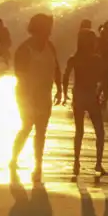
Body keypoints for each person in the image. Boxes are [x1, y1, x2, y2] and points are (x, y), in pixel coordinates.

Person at [9, 13, 62, 183]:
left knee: (41, 131)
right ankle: (14, 159)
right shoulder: (24, 49)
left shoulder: (50, 46)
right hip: (26, 94)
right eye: (47, 27)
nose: (50, 31)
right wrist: (28, 99)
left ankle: (38, 166)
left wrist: (60, 89)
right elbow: (20, 76)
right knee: (27, 127)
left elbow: (56, 68)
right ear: (39, 28)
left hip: (44, 95)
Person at [62, 29, 108, 177]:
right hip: (91, 96)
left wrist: (64, 93)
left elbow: (66, 76)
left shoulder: (74, 58)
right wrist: (100, 94)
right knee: (100, 132)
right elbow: (103, 79)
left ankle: (76, 163)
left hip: (78, 96)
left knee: (79, 131)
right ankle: (98, 164)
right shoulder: (97, 59)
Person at [96, 21, 108, 107]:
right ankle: (103, 98)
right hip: (104, 61)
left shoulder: (103, 33)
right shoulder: (104, 33)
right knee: (105, 81)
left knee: (104, 81)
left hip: (104, 61)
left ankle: (100, 97)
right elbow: (103, 49)